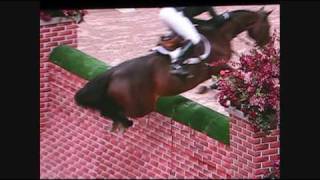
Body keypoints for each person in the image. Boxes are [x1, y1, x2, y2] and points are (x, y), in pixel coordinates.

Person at [159, 6, 217, 76]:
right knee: (194, 39)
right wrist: (206, 23)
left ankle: (169, 55)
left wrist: (203, 22)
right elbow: (214, 18)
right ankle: (176, 65)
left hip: (165, 13)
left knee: (178, 37)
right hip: (173, 13)